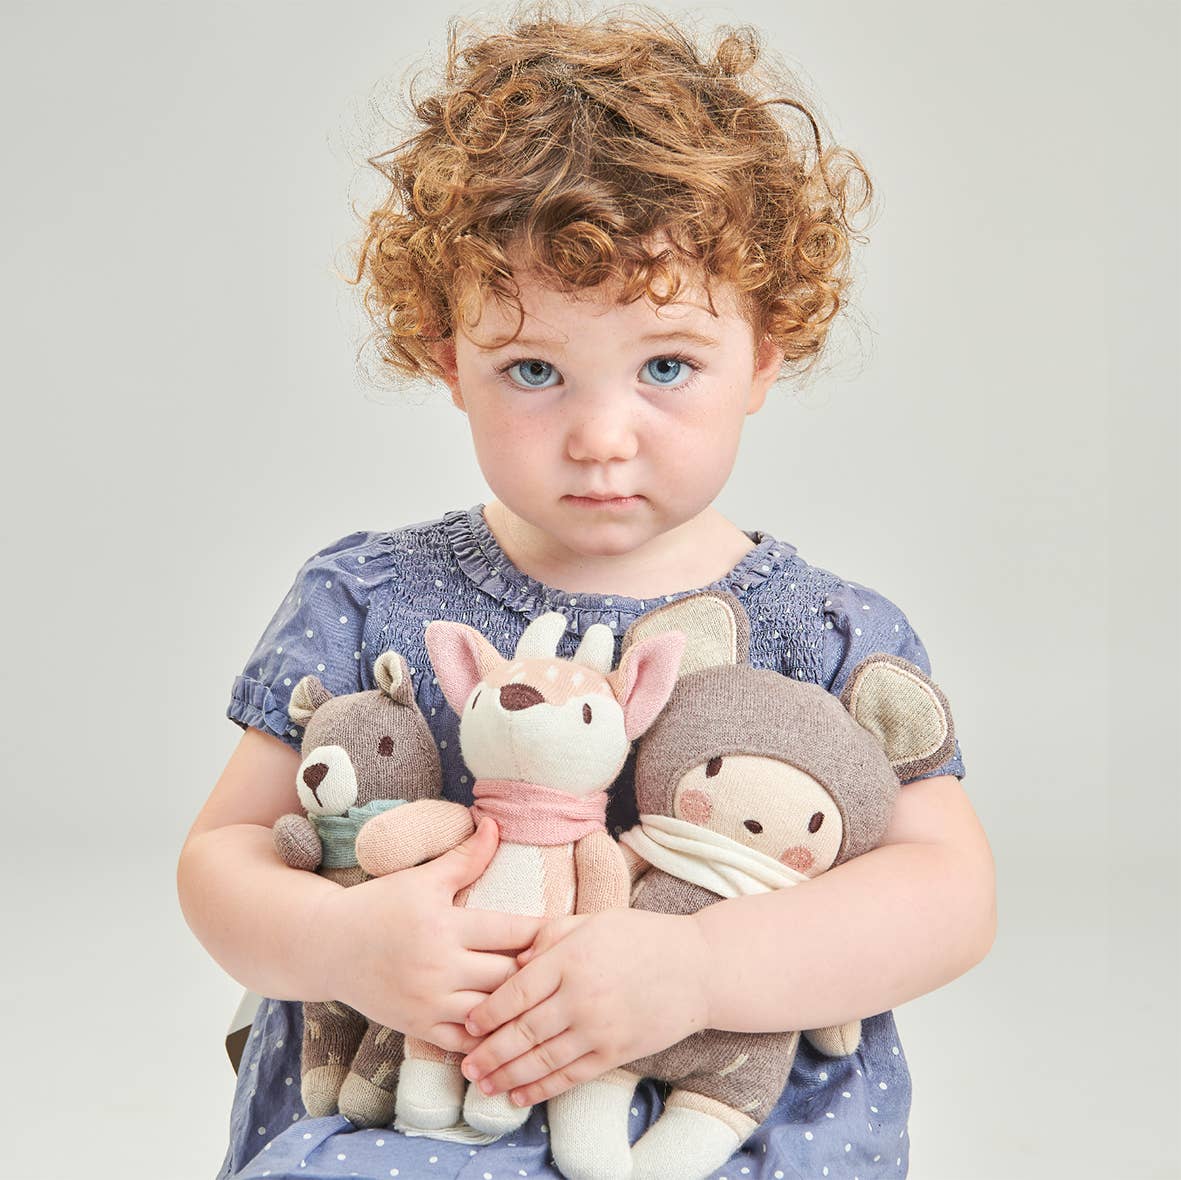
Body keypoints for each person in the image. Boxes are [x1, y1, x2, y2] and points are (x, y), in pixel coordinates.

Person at [177, 8, 996, 1177]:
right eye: (532, 369)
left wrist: (702, 969)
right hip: (414, 1120)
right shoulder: (368, 597)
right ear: (443, 351)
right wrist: (343, 941)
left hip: (712, 1126)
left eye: (665, 365)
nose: (600, 437)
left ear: (763, 350)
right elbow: (221, 856)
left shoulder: (826, 634)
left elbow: (947, 890)